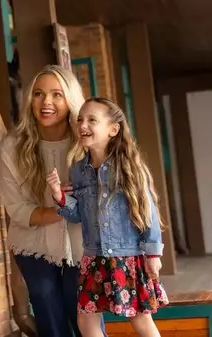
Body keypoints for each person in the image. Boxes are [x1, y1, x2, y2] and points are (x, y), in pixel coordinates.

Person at [0, 65, 107, 336]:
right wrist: (64, 208)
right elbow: (17, 209)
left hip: (83, 244)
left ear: (70, 100)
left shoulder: (87, 142)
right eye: (38, 94)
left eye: (57, 94)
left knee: (86, 323)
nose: (46, 102)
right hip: (33, 244)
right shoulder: (12, 146)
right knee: (51, 324)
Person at [48, 97, 169, 336]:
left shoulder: (128, 167)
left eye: (92, 120)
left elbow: (148, 211)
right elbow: (78, 216)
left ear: (113, 129)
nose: (83, 125)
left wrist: (153, 253)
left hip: (128, 256)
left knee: (140, 319)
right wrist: (59, 197)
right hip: (94, 259)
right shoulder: (78, 171)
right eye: (80, 119)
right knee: (85, 319)